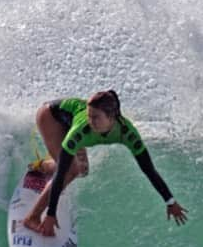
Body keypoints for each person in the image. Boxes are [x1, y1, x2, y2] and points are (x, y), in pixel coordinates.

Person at [24, 91, 188, 236]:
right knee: (70, 170)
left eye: (95, 117)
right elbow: (61, 173)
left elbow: (149, 170)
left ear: (111, 118)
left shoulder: (127, 132)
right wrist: (51, 214)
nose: (90, 121)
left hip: (69, 122)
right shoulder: (82, 129)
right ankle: (33, 217)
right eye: (89, 116)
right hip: (51, 117)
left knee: (82, 170)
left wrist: (170, 202)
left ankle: (44, 166)